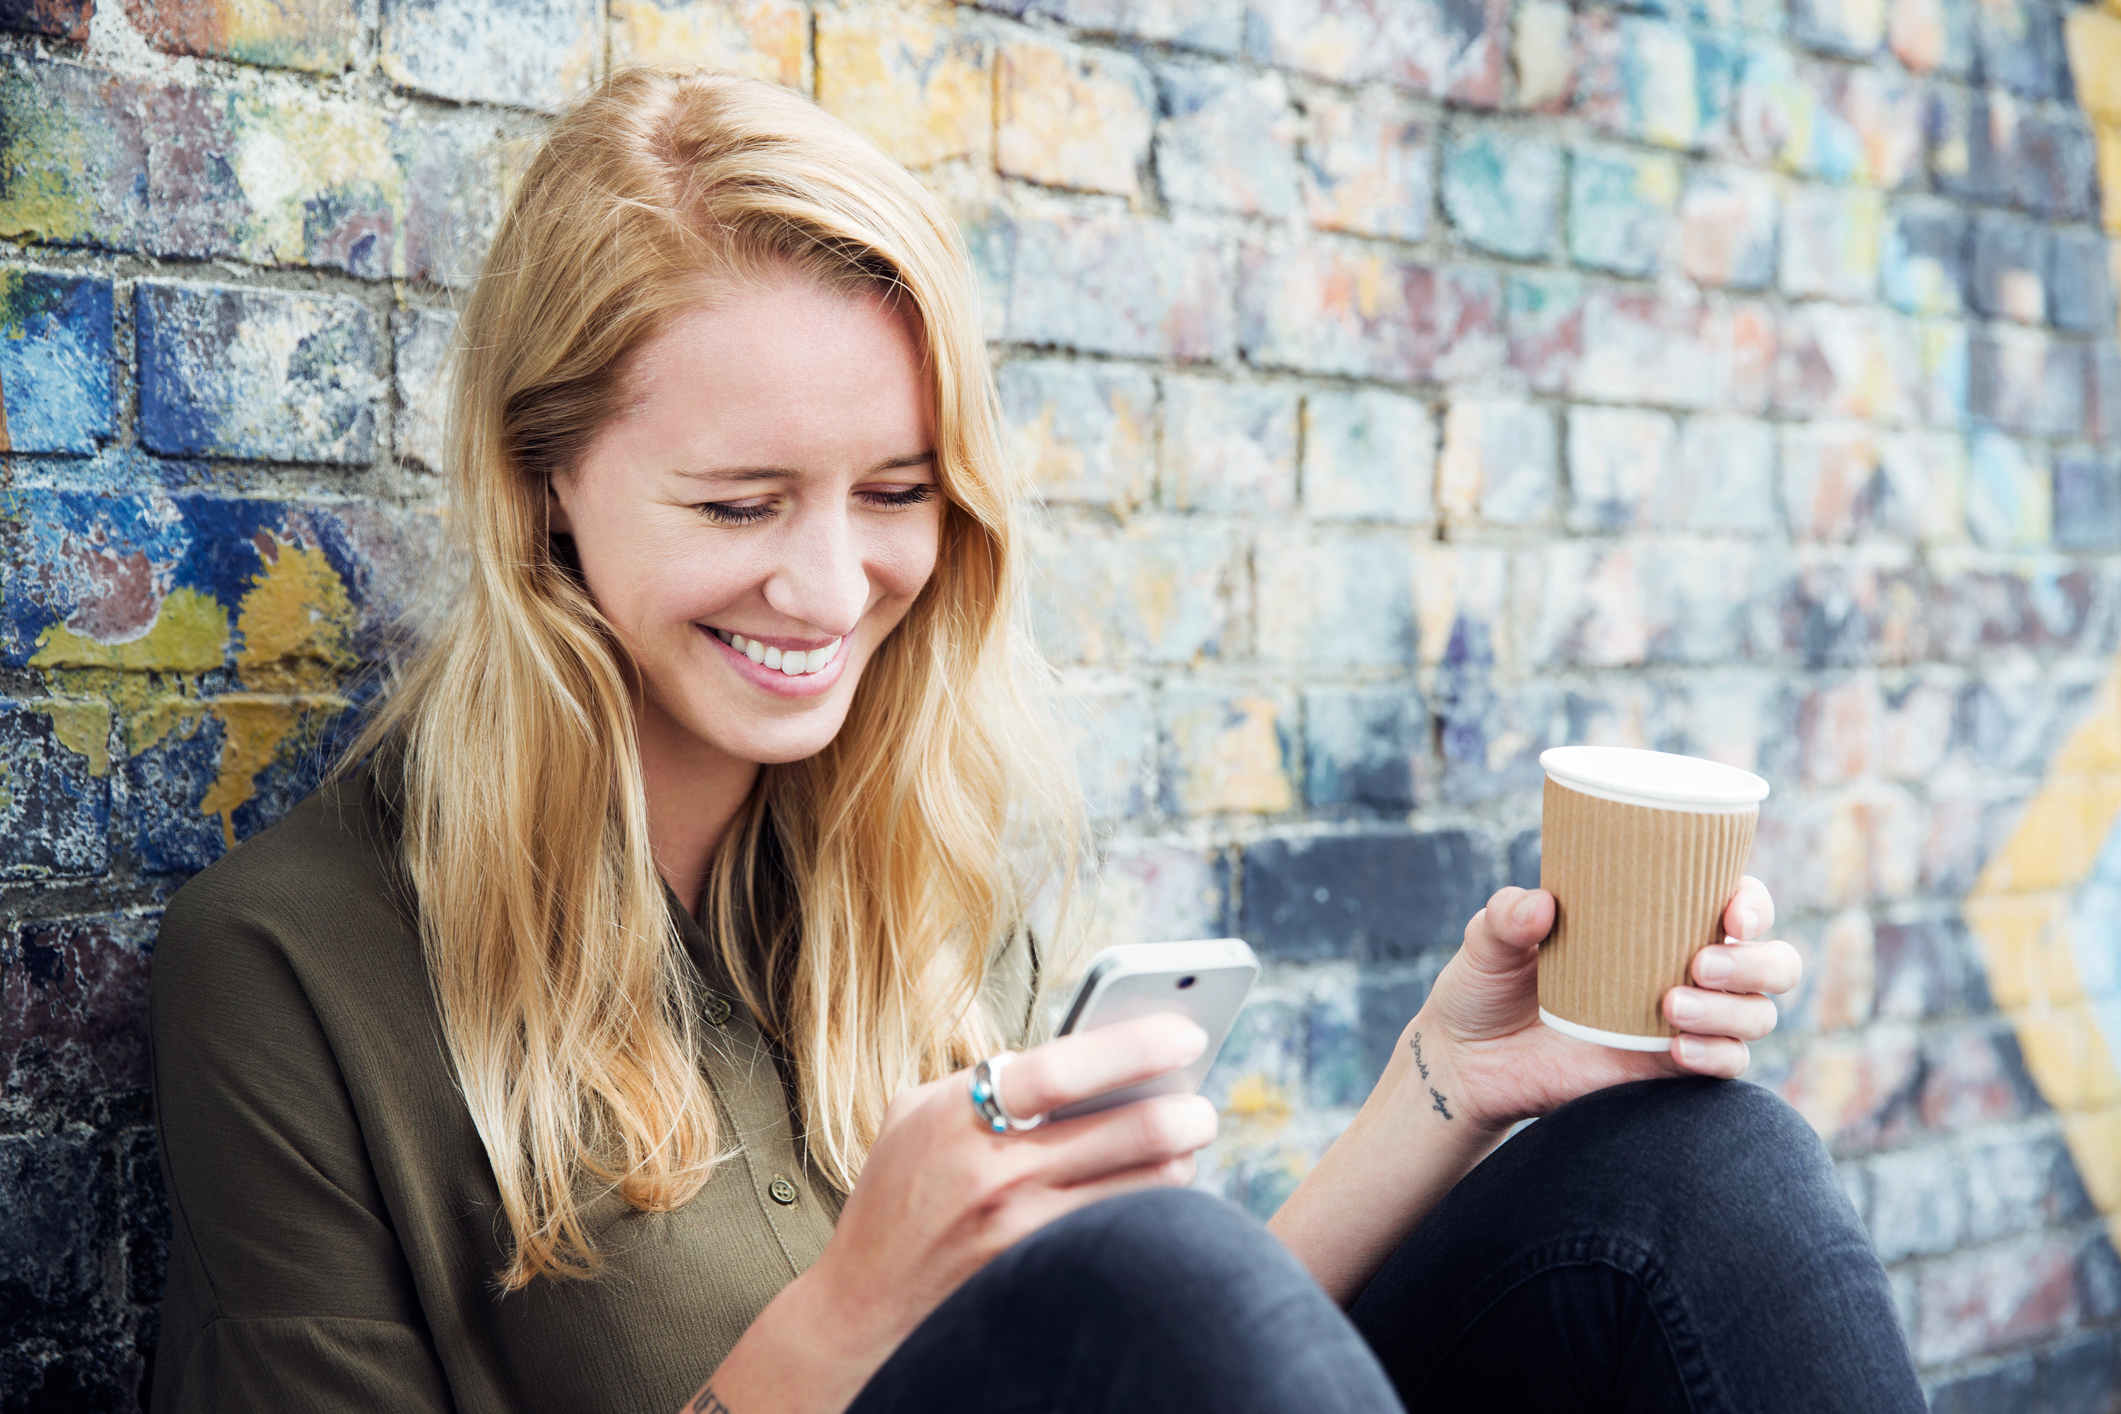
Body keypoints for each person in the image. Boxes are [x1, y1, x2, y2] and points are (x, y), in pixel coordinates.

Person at [147, 68, 1926, 1414]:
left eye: (896, 492)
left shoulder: (905, 864)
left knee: (1697, 1174)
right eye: (738, 498)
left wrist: (1461, 1081)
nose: (832, 583)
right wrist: (846, 1308)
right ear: (547, 483)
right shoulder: (294, 969)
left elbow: (1161, 1351)